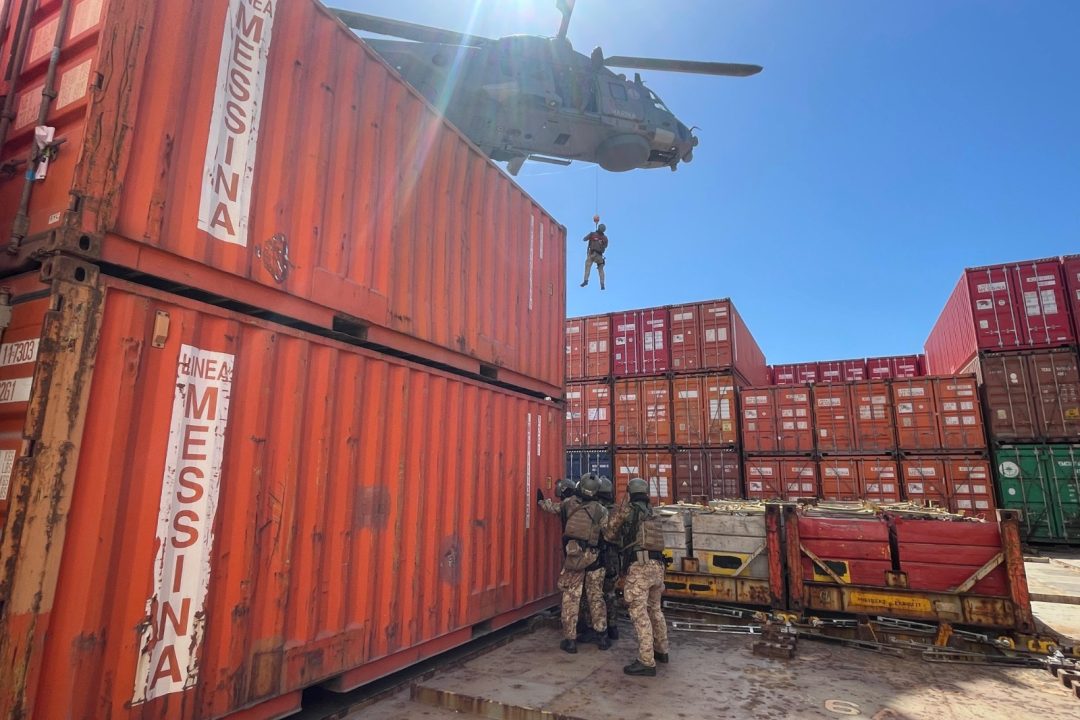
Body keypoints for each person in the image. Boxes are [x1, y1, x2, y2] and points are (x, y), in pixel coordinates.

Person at [603, 477, 669, 676]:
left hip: (640, 566)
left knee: (639, 613)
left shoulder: (628, 510)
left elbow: (609, 533)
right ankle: (662, 650)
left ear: (630, 492)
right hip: (658, 566)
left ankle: (646, 661)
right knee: (655, 610)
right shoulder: (652, 512)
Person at [537, 474, 610, 654]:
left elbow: (551, 508)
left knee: (570, 598)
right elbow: (609, 534)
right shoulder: (601, 510)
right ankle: (602, 637)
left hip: (573, 558)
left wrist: (540, 501)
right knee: (596, 598)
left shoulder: (569, 503)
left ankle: (570, 641)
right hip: (594, 559)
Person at [578, 476, 620, 642]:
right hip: (614, 558)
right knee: (609, 593)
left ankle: (593, 628)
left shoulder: (596, 509)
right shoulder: (616, 510)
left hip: (599, 557)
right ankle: (612, 627)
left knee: (592, 594)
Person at [581, 223, 608, 290]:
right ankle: (602, 284)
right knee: (601, 270)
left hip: (592, 254)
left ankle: (585, 280)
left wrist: (591, 236)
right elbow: (606, 246)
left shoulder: (592, 234)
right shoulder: (605, 238)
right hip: (599, 257)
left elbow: (584, 239)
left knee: (587, 266)